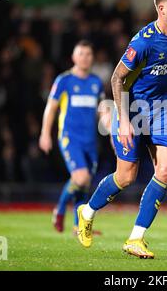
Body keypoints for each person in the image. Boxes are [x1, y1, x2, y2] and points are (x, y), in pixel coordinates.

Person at [77, 0, 167, 258]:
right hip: (130, 110)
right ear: (162, 9)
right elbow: (116, 79)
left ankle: (135, 238)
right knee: (126, 176)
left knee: (166, 170)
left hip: (160, 110)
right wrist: (122, 121)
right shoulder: (143, 42)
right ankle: (87, 212)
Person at [39, 40, 109, 235]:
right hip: (70, 137)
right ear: (73, 57)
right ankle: (59, 210)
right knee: (81, 177)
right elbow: (51, 108)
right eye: (81, 54)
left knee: (84, 183)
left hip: (90, 140)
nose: (85, 58)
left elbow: (102, 109)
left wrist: (111, 126)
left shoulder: (96, 82)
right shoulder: (64, 80)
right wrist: (45, 133)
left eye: (88, 54)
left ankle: (78, 226)